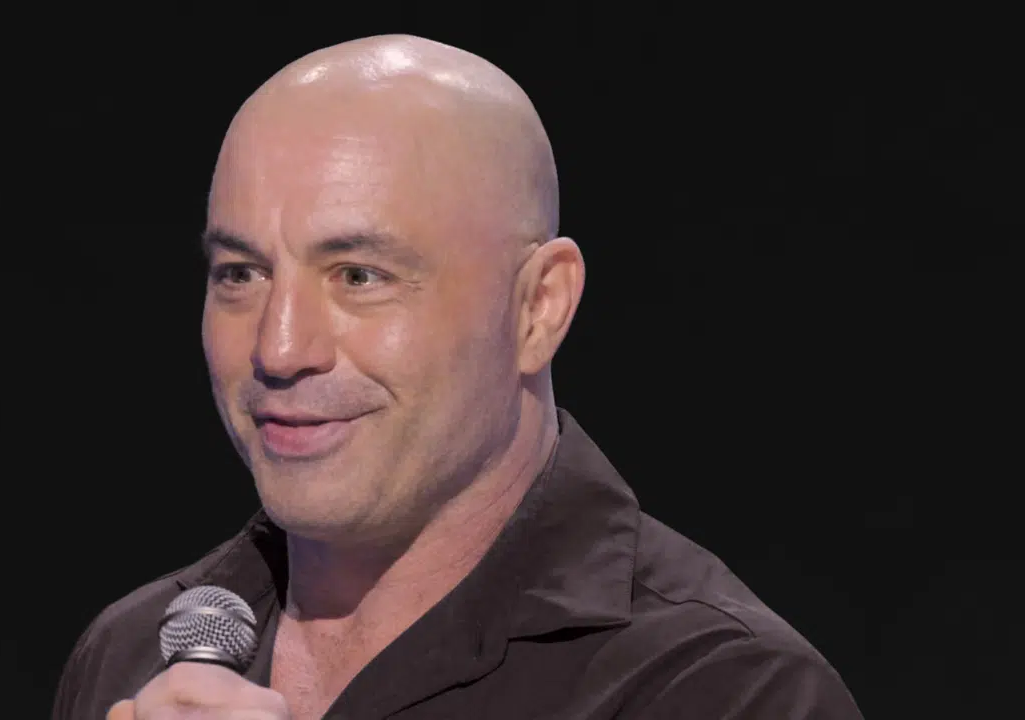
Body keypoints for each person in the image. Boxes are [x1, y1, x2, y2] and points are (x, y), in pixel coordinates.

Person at [52, 34, 863, 720]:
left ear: (538, 308)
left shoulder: (720, 690)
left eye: (359, 276)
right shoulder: (135, 655)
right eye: (241, 274)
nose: (280, 346)